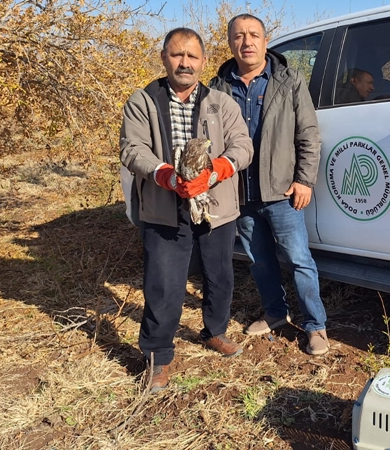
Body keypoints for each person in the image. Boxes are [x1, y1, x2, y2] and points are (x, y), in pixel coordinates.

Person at [120, 27, 254, 393]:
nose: (185, 63)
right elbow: (132, 150)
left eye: (192, 56)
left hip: (215, 208)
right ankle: (157, 357)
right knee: (163, 285)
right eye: (177, 55)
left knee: (219, 276)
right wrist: (165, 176)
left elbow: (243, 145)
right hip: (164, 208)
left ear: (203, 62)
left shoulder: (222, 103)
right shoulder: (142, 101)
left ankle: (215, 331)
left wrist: (217, 170)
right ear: (163, 57)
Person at [209, 14, 329, 356]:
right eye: (239, 36)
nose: (246, 42)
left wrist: (304, 179)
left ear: (265, 40)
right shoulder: (218, 87)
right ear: (230, 42)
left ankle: (315, 325)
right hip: (239, 193)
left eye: (254, 35)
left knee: (298, 259)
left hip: (282, 193)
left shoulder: (288, 80)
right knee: (259, 260)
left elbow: (308, 135)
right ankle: (276, 313)